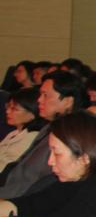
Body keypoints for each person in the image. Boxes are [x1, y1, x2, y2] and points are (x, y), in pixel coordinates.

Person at [0, 111, 96, 217]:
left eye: (57, 153)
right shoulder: (73, 179)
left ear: (84, 158)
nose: (50, 161)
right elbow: (32, 203)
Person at [0, 71, 87, 199]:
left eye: (45, 95)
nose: (39, 100)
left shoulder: (72, 137)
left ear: (68, 101)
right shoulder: (48, 127)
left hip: (20, 199)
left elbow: (40, 183)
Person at [0, 87, 43, 175]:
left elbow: (6, 167)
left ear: (32, 114)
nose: (7, 111)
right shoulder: (15, 132)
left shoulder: (31, 137)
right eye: (8, 106)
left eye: (14, 109)